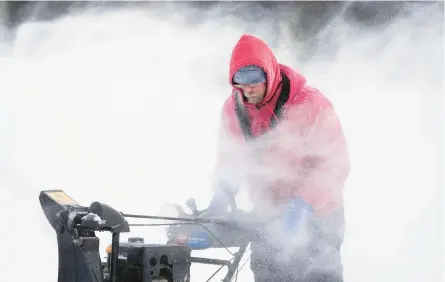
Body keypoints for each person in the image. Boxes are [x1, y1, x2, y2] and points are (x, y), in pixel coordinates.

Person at [207, 34, 351, 282]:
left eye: (254, 78)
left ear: (269, 73)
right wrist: (223, 193)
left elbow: (335, 163)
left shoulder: (309, 104)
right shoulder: (233, 110)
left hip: (318, 215)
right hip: (268, 215)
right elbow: (230, 159)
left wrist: (303, 203)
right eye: (240, 80)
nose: (248, 87)